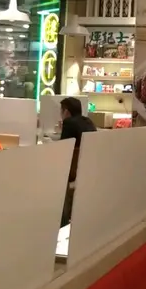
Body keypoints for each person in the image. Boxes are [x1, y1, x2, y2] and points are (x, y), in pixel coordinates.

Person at [59, 97, 97, 228]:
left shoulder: (68, 123)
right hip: (89, 168)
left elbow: (63, 148)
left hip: (72, 172)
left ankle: (62, 221)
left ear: (66, 111)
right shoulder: (88, 121)